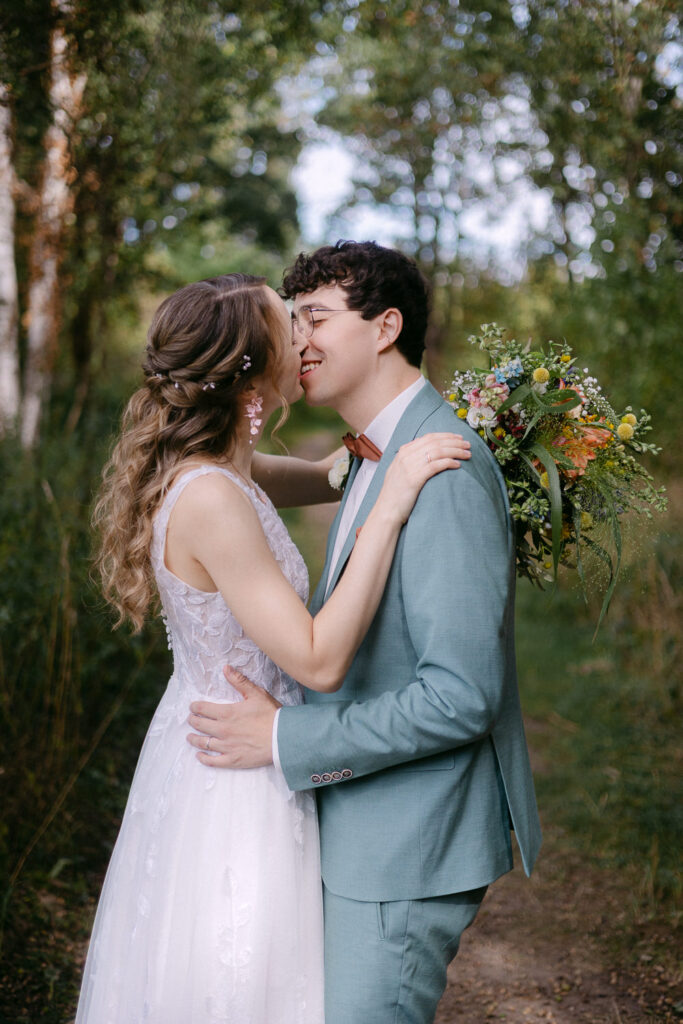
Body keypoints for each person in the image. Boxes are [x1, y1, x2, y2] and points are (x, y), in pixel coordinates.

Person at [76, 271, 467, 1024]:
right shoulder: (212, 499)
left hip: (220, 740)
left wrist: (358, 465)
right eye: (288, 326)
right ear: (252, 368)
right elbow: (317, 659)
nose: (304, 337)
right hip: (235, 766)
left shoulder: (220, 466)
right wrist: (386, 510)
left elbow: (308, 476)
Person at [186, 242, 543, 1024]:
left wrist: (286, 741)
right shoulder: (372, 455)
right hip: (361, 825)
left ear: (385, 328)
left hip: (404, 842)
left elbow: (460, 696)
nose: (297, 340)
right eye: (291, 320)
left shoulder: (437, 469)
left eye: (314, 317)